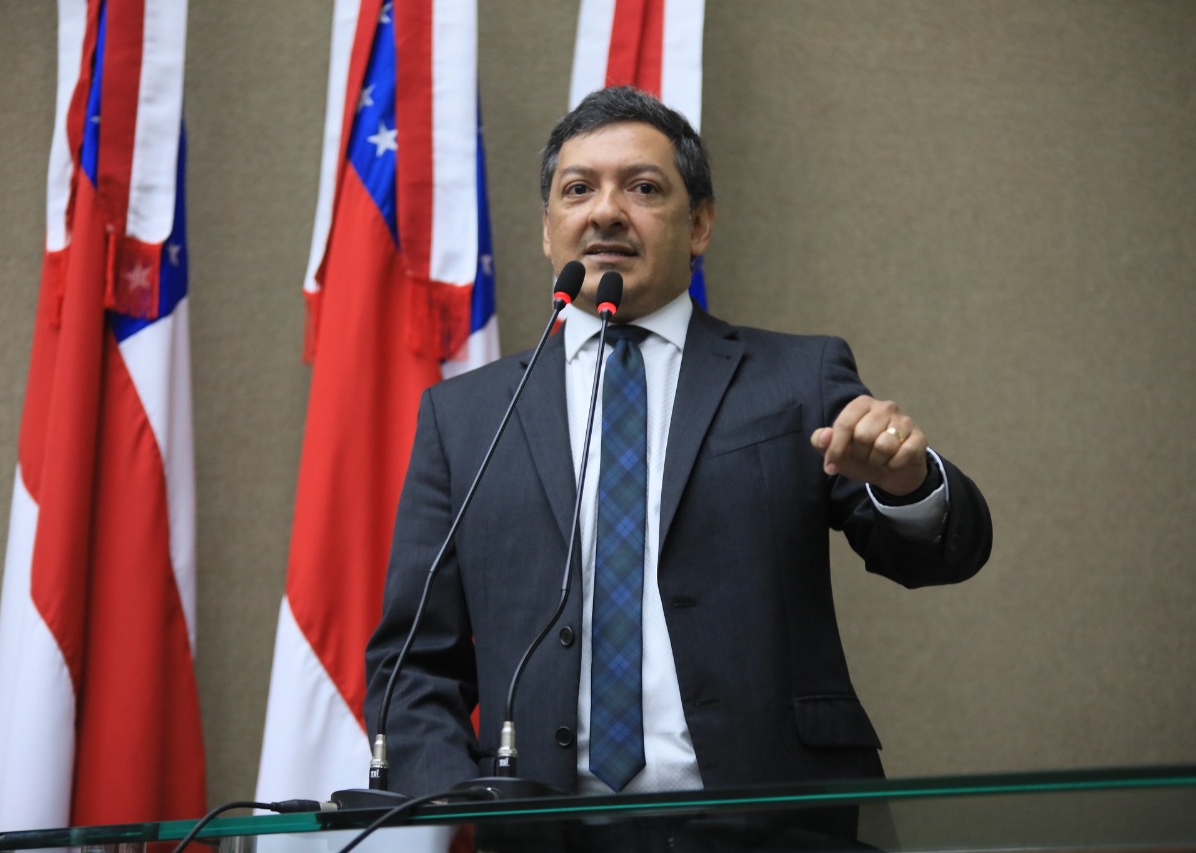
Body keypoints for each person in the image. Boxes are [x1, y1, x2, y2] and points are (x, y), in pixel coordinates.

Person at [364, 86, 992, 847]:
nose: (604, 211)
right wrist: (463, 812)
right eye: (578, 189)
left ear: (699, 224)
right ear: (546, 230)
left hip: (772, 825)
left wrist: (905, 482)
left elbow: (939, 552)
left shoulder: (796, 378)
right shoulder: (464, 418)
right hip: (548, 833)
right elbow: (411, 662)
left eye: (643, 187)